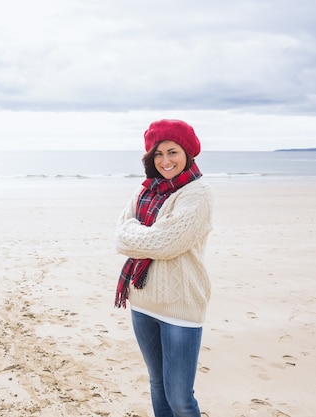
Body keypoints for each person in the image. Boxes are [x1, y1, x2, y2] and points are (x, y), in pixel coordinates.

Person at [114, 119, 213, 417]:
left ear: (187, 153)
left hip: (180, 307)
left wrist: (139, 233)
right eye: (158, 154)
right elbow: (120, 237)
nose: (165, 160)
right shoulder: (145, 190)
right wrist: (150, 234)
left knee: (181, 399)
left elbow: (166, 244)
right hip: (142, 302)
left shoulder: (197, 194)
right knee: (157, 385)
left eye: (172, 152)